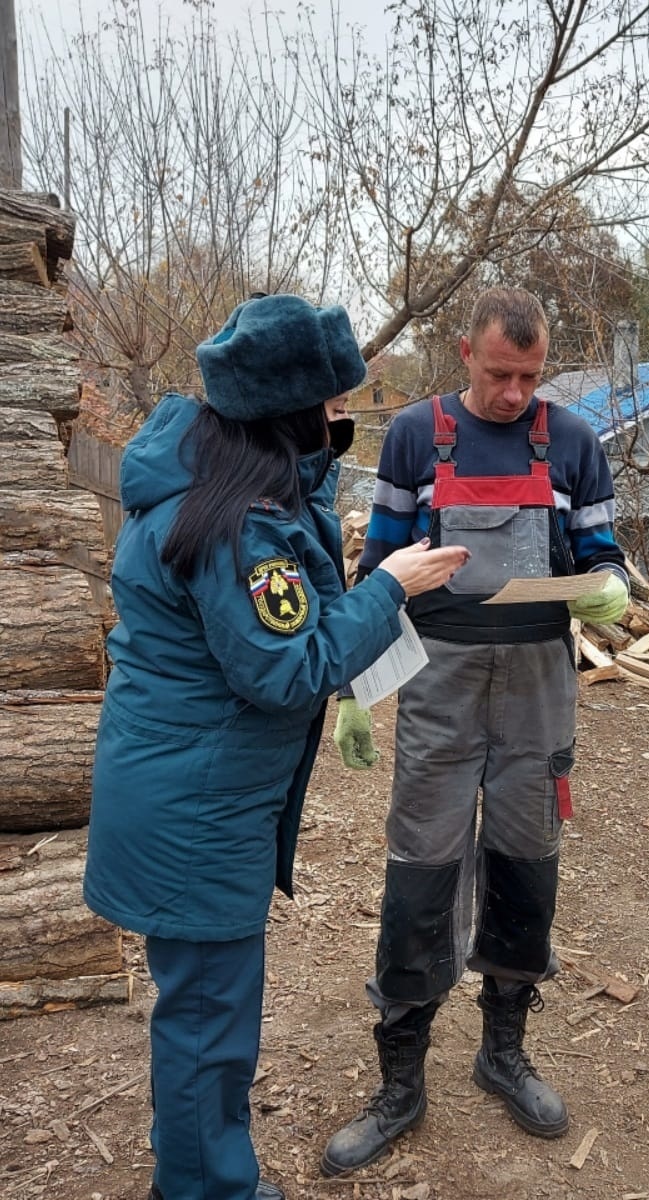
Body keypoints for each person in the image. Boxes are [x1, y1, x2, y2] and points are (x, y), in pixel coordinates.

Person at [82, 293, 469, 1200]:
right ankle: (208, 1189)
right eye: (334, 407)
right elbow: (286, 672)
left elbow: (284, 625)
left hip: (191, 794)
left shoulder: (220, 481)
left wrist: (355, 571)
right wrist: (392, 589)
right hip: (196, 815)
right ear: (287, 411)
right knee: (210, 1031)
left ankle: (199, 1177)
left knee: (201, 1021)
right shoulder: (237, 523)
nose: (343, 421)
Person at [321, 287, 630, 1176]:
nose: (513, 392)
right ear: (466, 353)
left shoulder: (572, 442)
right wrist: (352, 686)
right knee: (422, 867)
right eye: (500, 373)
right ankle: (401, 1078)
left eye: (530, 376)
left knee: (528, 862)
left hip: (539, 682)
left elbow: (600, 552)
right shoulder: (417, 436)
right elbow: (379, 566)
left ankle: (502, 1049)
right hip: (439, 679)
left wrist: (607, 584)